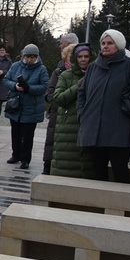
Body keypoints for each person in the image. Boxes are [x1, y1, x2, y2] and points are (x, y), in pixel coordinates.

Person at [77, 30, 130, 183]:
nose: (105, 46)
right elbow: (82, 94)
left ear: (119, 45)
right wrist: (82, 115)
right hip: (94, 130)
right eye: (103, 43)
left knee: (120, 173)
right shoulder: (93, 67)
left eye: (110, 43)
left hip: (120, 132)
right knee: (98, 174)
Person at [3, 44, 49, 170]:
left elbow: (44, 86)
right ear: (23, 56)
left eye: (32, 57)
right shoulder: (15, 66)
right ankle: (15, 154)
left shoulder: (41, 69)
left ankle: (25, 159)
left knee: (28, 136)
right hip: (16, 105)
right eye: (27, 57)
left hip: (31, 107)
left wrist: (29, 88)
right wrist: (15, 86)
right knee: (15, 133)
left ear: (36, 57)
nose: (29, 60)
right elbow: (6, 80)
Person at [51, 43, 93, 178]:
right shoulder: (65, 75)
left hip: (88, 125)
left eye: (86, 56)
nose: (83, 59)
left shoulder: (97, 75)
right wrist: (78, 86)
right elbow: (58, 98)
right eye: (80, 56)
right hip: (67, 126)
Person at [42, 33, 79, 174]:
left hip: (75, 117)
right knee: (52, 141)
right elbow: (50, 94)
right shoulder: (59, 70)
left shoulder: (86, 73)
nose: (59, 46)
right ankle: (47, 167)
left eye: (61, 44)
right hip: (57, 114)